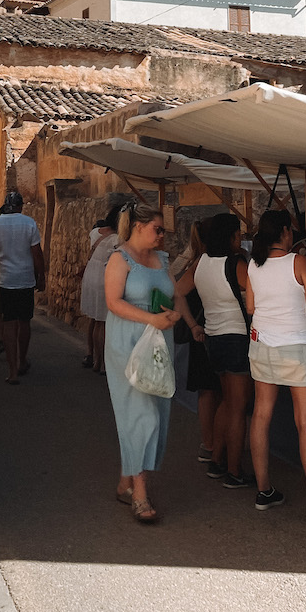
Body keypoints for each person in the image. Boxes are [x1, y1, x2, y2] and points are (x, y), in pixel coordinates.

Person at [245, 208, 306, 527]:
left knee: (261, 415)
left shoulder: (254, 264)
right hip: (296, 347)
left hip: (262, 345)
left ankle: (264, 491)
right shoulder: (298, 262)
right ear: (285, 232)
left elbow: (251, 307)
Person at [103, 202, 179, 523]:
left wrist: (176, 314)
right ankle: (140, 492)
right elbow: (112, 301)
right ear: (137, 226)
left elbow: (175, 294)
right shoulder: (120, 260)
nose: (162, 235)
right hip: (127, 342)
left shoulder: (162, 260)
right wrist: (151, 318)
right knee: (141, 415)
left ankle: (126, 480)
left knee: (156, 415)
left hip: (159, 343)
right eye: (157, 229)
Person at [174, 212, 252, 488]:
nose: (241, 238)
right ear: (230, 236)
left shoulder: (201, 263)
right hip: (237, 338)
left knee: (226, 402)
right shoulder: (236, 264)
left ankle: (217, 460)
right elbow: (256, 298)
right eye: (238, 234)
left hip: (213, 338)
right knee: (237, 408)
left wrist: (194, 323)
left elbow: (178, 291)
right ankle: (234, 470)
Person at [170, 219, 221, 464]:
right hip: (206, 330)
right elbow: (178, 290)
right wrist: (193, 324)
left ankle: (211, 443)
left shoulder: (194, 259)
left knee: (209, 390)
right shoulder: (203, 261)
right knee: (213, 390)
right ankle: (212, 443)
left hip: (202, 330)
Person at [0, 190, 45, 384]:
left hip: (6, 280)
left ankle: (12, 371)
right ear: (20, 206)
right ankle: (22, 360)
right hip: (26, 279)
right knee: (25, 322)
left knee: (9, 323)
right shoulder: (29, 223)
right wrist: (41, 277)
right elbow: (37, 254)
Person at [79, 206, 121, 373]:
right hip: (104, 279)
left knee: (97, 322)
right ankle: (103, 363)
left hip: (92, 275)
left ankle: (96, 359)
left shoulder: (97, 232)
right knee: (103, 322)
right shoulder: (117, 239)